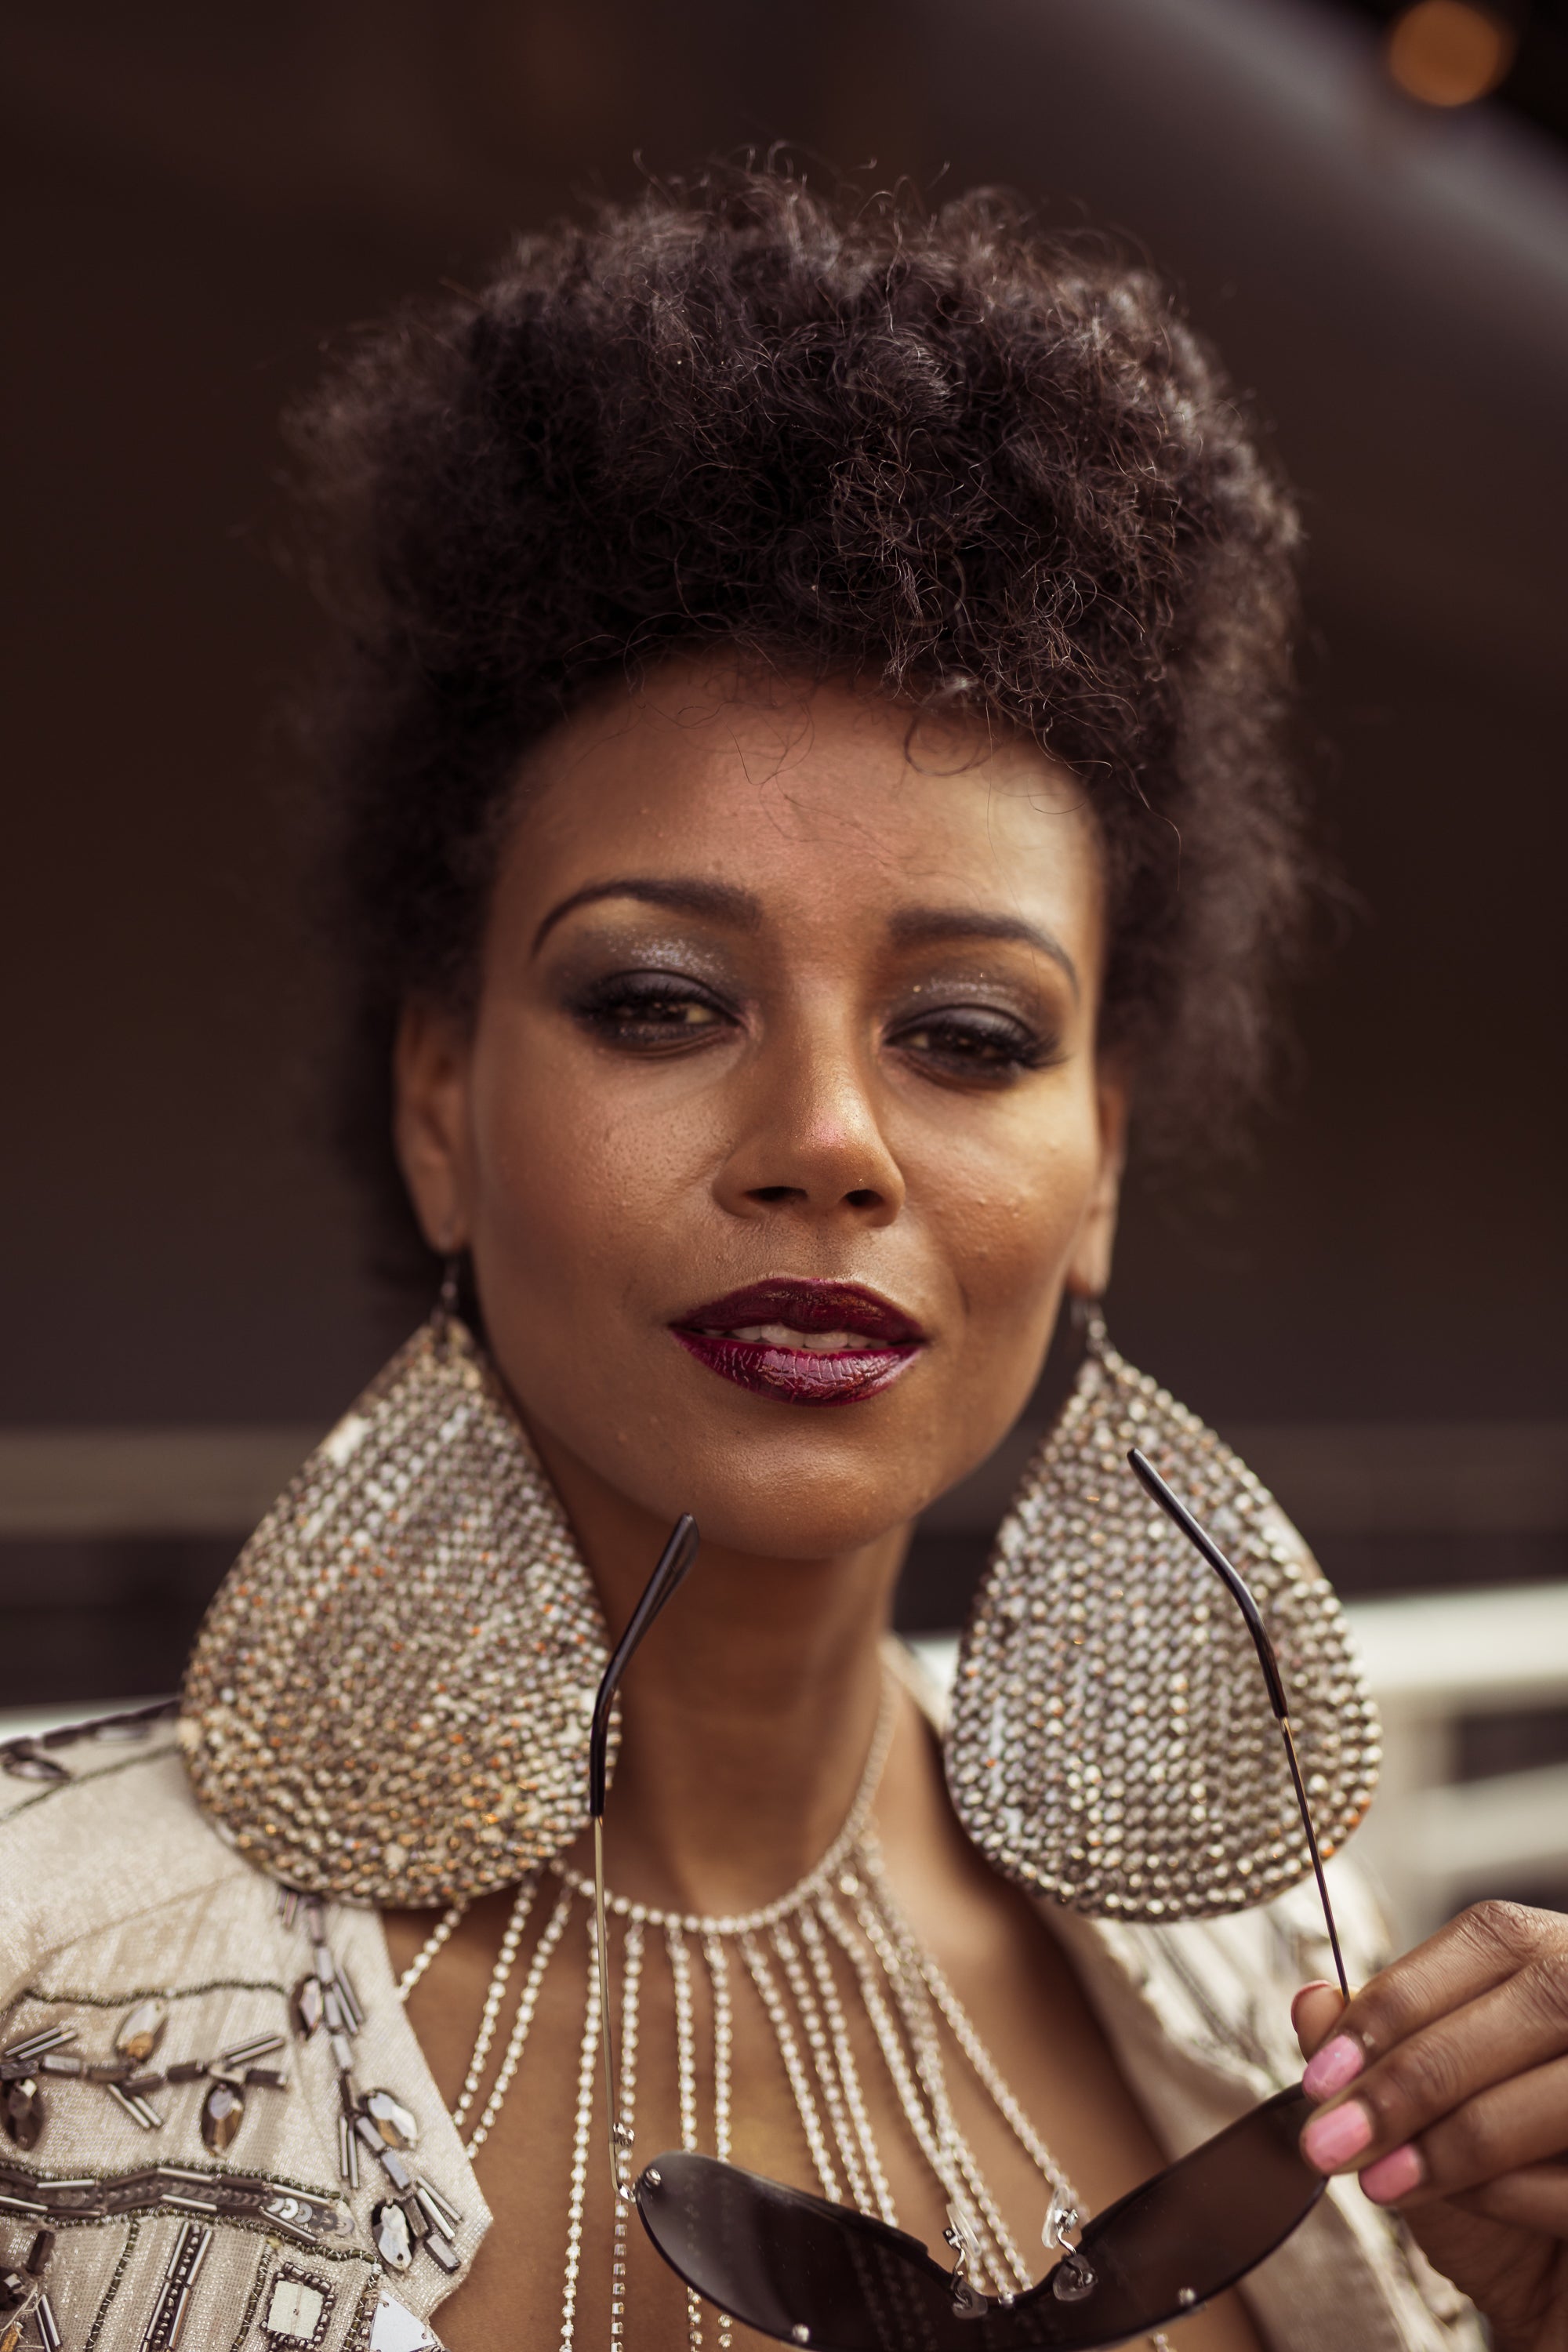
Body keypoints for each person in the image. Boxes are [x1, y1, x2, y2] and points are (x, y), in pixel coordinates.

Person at [4, 169, 1565, 2352]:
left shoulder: (1303, 2024)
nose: (829, 1140)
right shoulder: (41, 2003)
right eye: (660, 1000)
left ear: (1101, 1165)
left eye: (970, 1036)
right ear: (442, 1103)